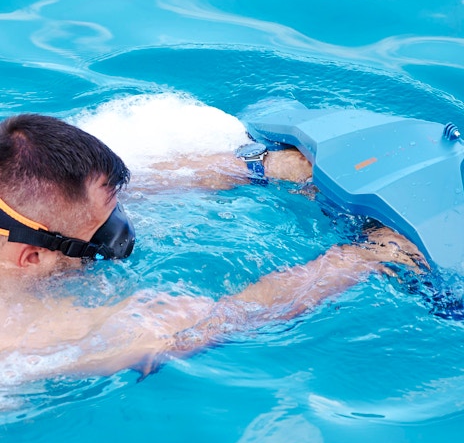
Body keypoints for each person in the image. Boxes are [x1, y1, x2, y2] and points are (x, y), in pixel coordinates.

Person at [0, 113, 423, 383]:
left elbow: (150, 180)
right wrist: (362, 257)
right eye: (101, 240)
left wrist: (261, 167)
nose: (121, 235)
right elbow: (208, 322)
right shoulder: (24, 332)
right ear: (31, 256)